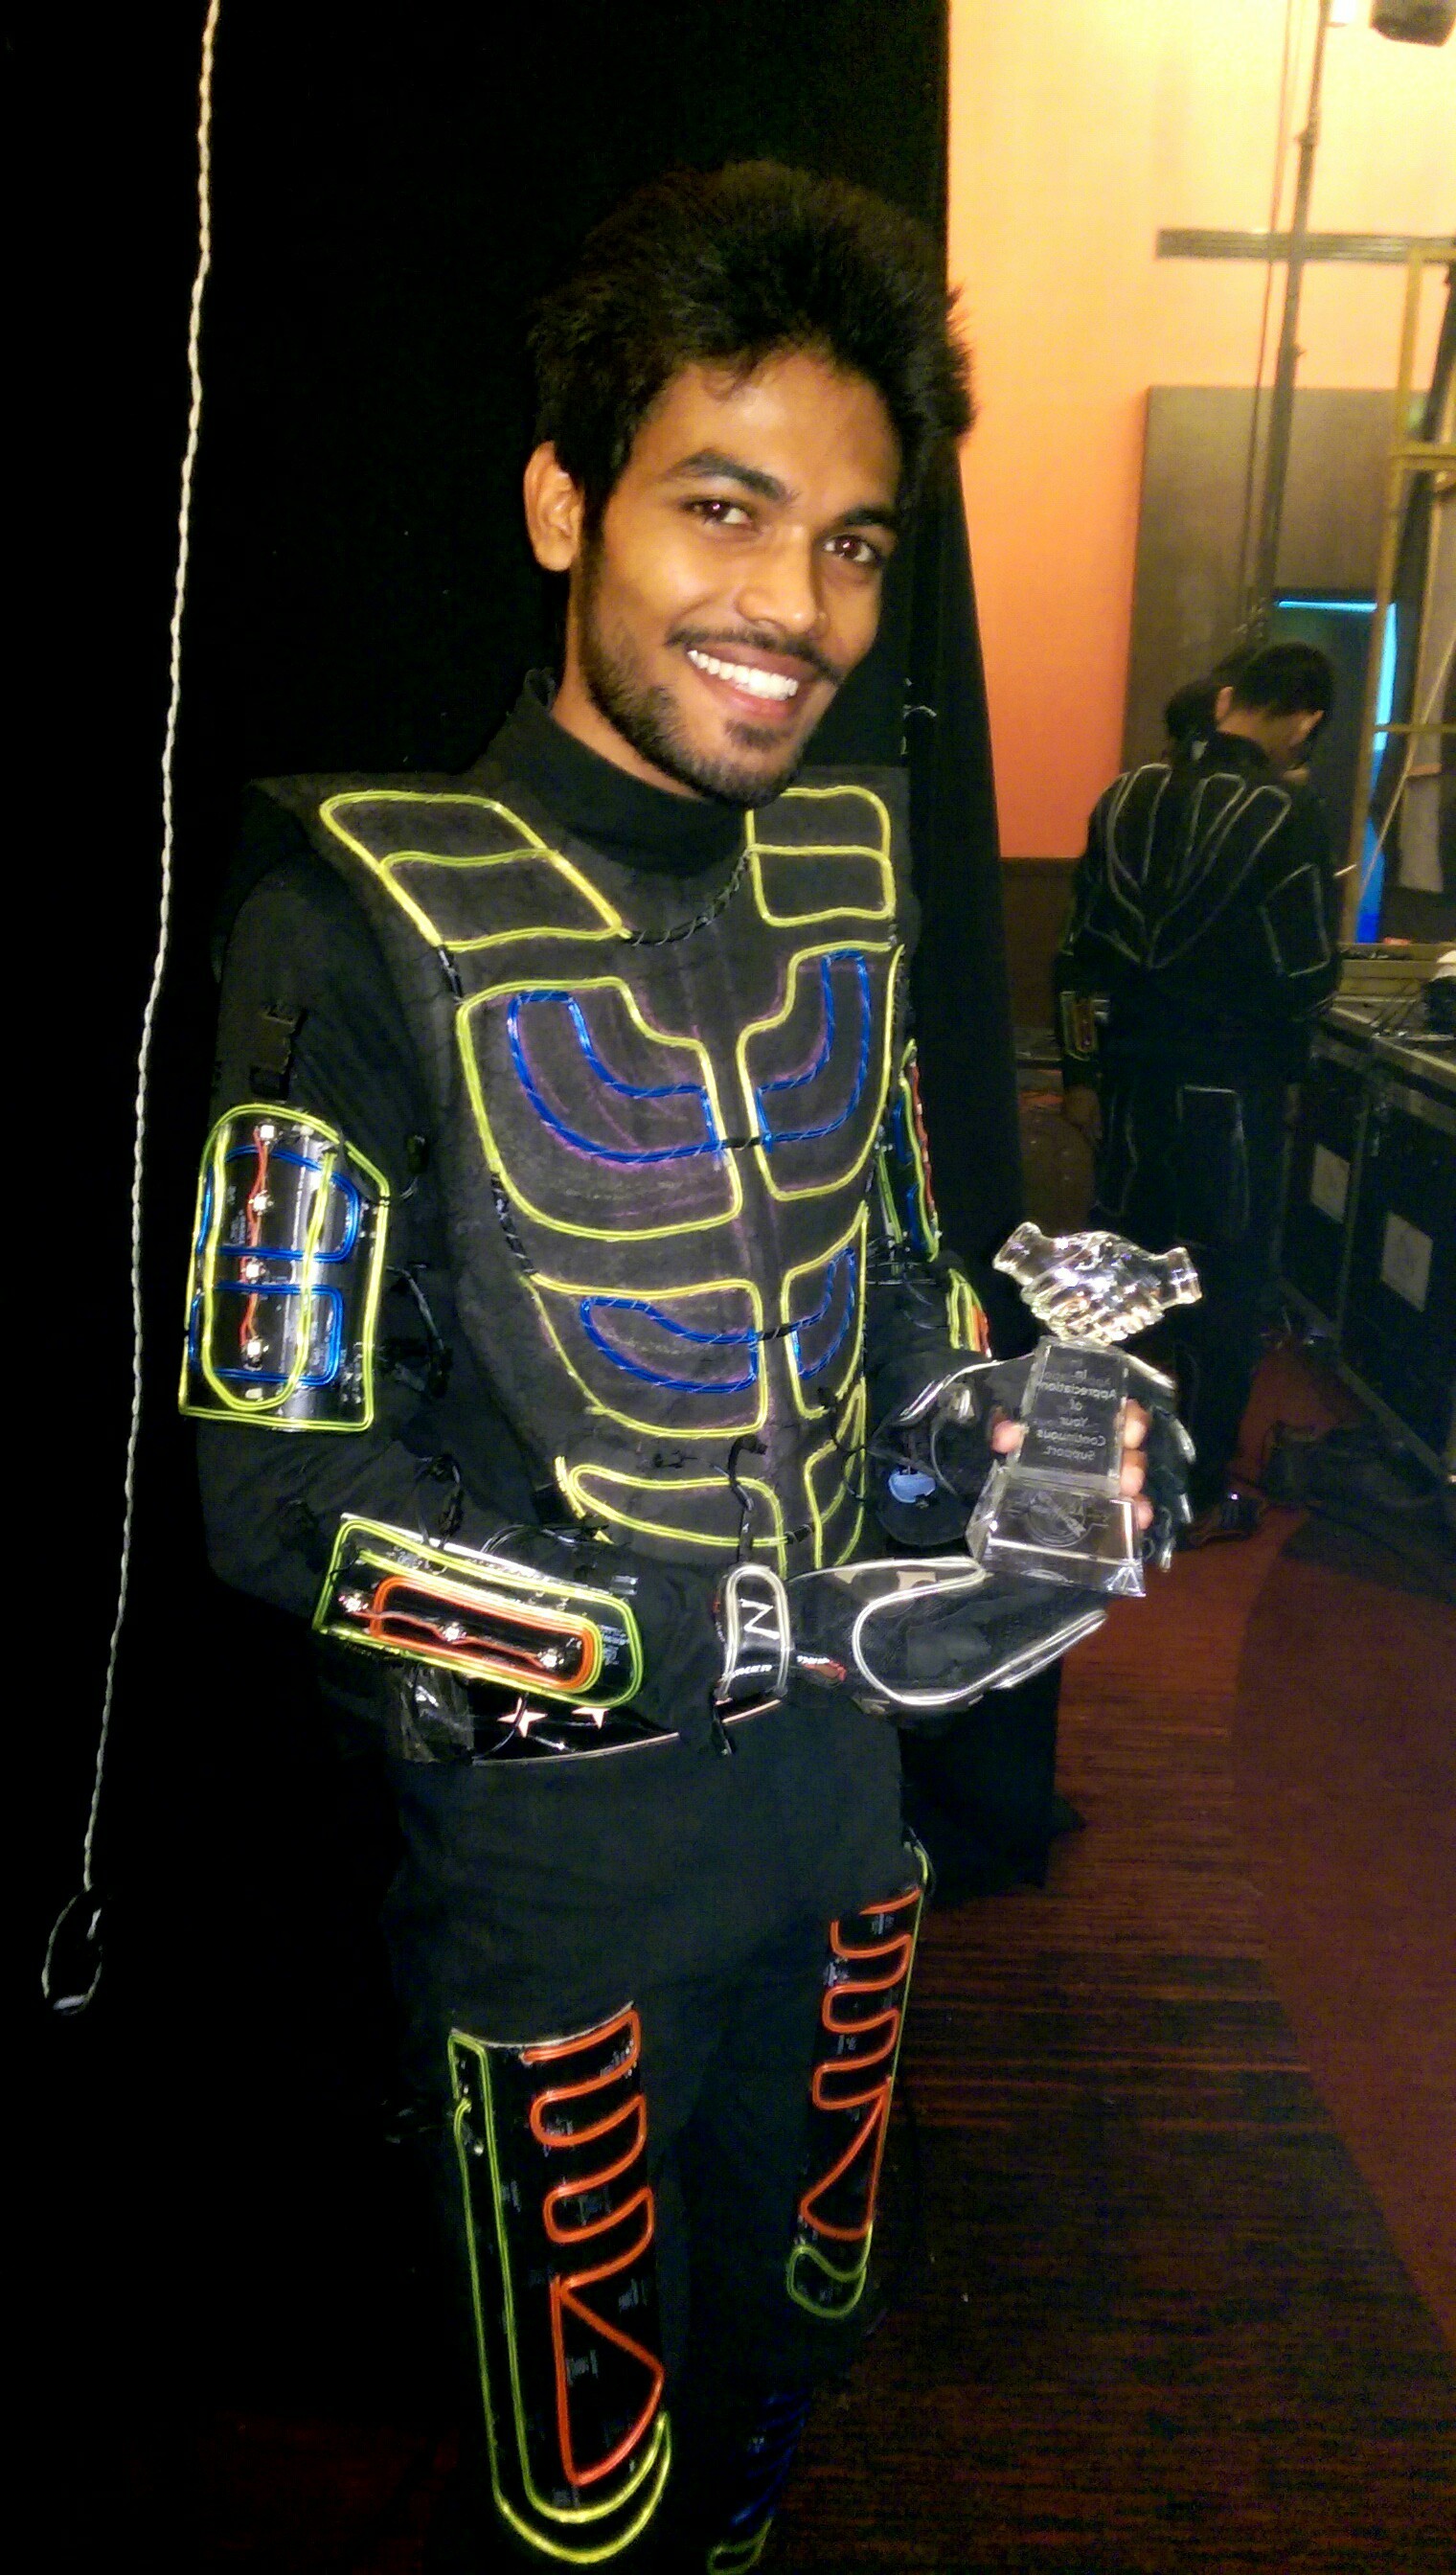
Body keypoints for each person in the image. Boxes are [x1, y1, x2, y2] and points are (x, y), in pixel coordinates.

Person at [186, 163, 1166, 2572]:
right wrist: (757, 1628)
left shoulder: (851, 871)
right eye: (721, 510)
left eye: (851, 542)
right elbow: (278, 1499)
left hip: (840, 1837)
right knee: (583, 2483)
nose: (794, 607)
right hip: (558, 1889)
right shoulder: (347, 919)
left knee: (788, 2365)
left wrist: (1006, 1430)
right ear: (564, 504)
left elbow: (900, 1290)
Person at [1055, 641, 1340, 1543]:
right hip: (1231, 1096)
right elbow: (1307, 975)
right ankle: (1196, 1493)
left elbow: (1078, 955)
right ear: (1304, 720)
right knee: (1222, 1291)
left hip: (1131, 1085)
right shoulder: (1285, 812)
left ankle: (1082, 1469)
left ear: (1225, 701)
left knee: (1113, 1281)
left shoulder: (1125, 796)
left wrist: (1080, 1073)